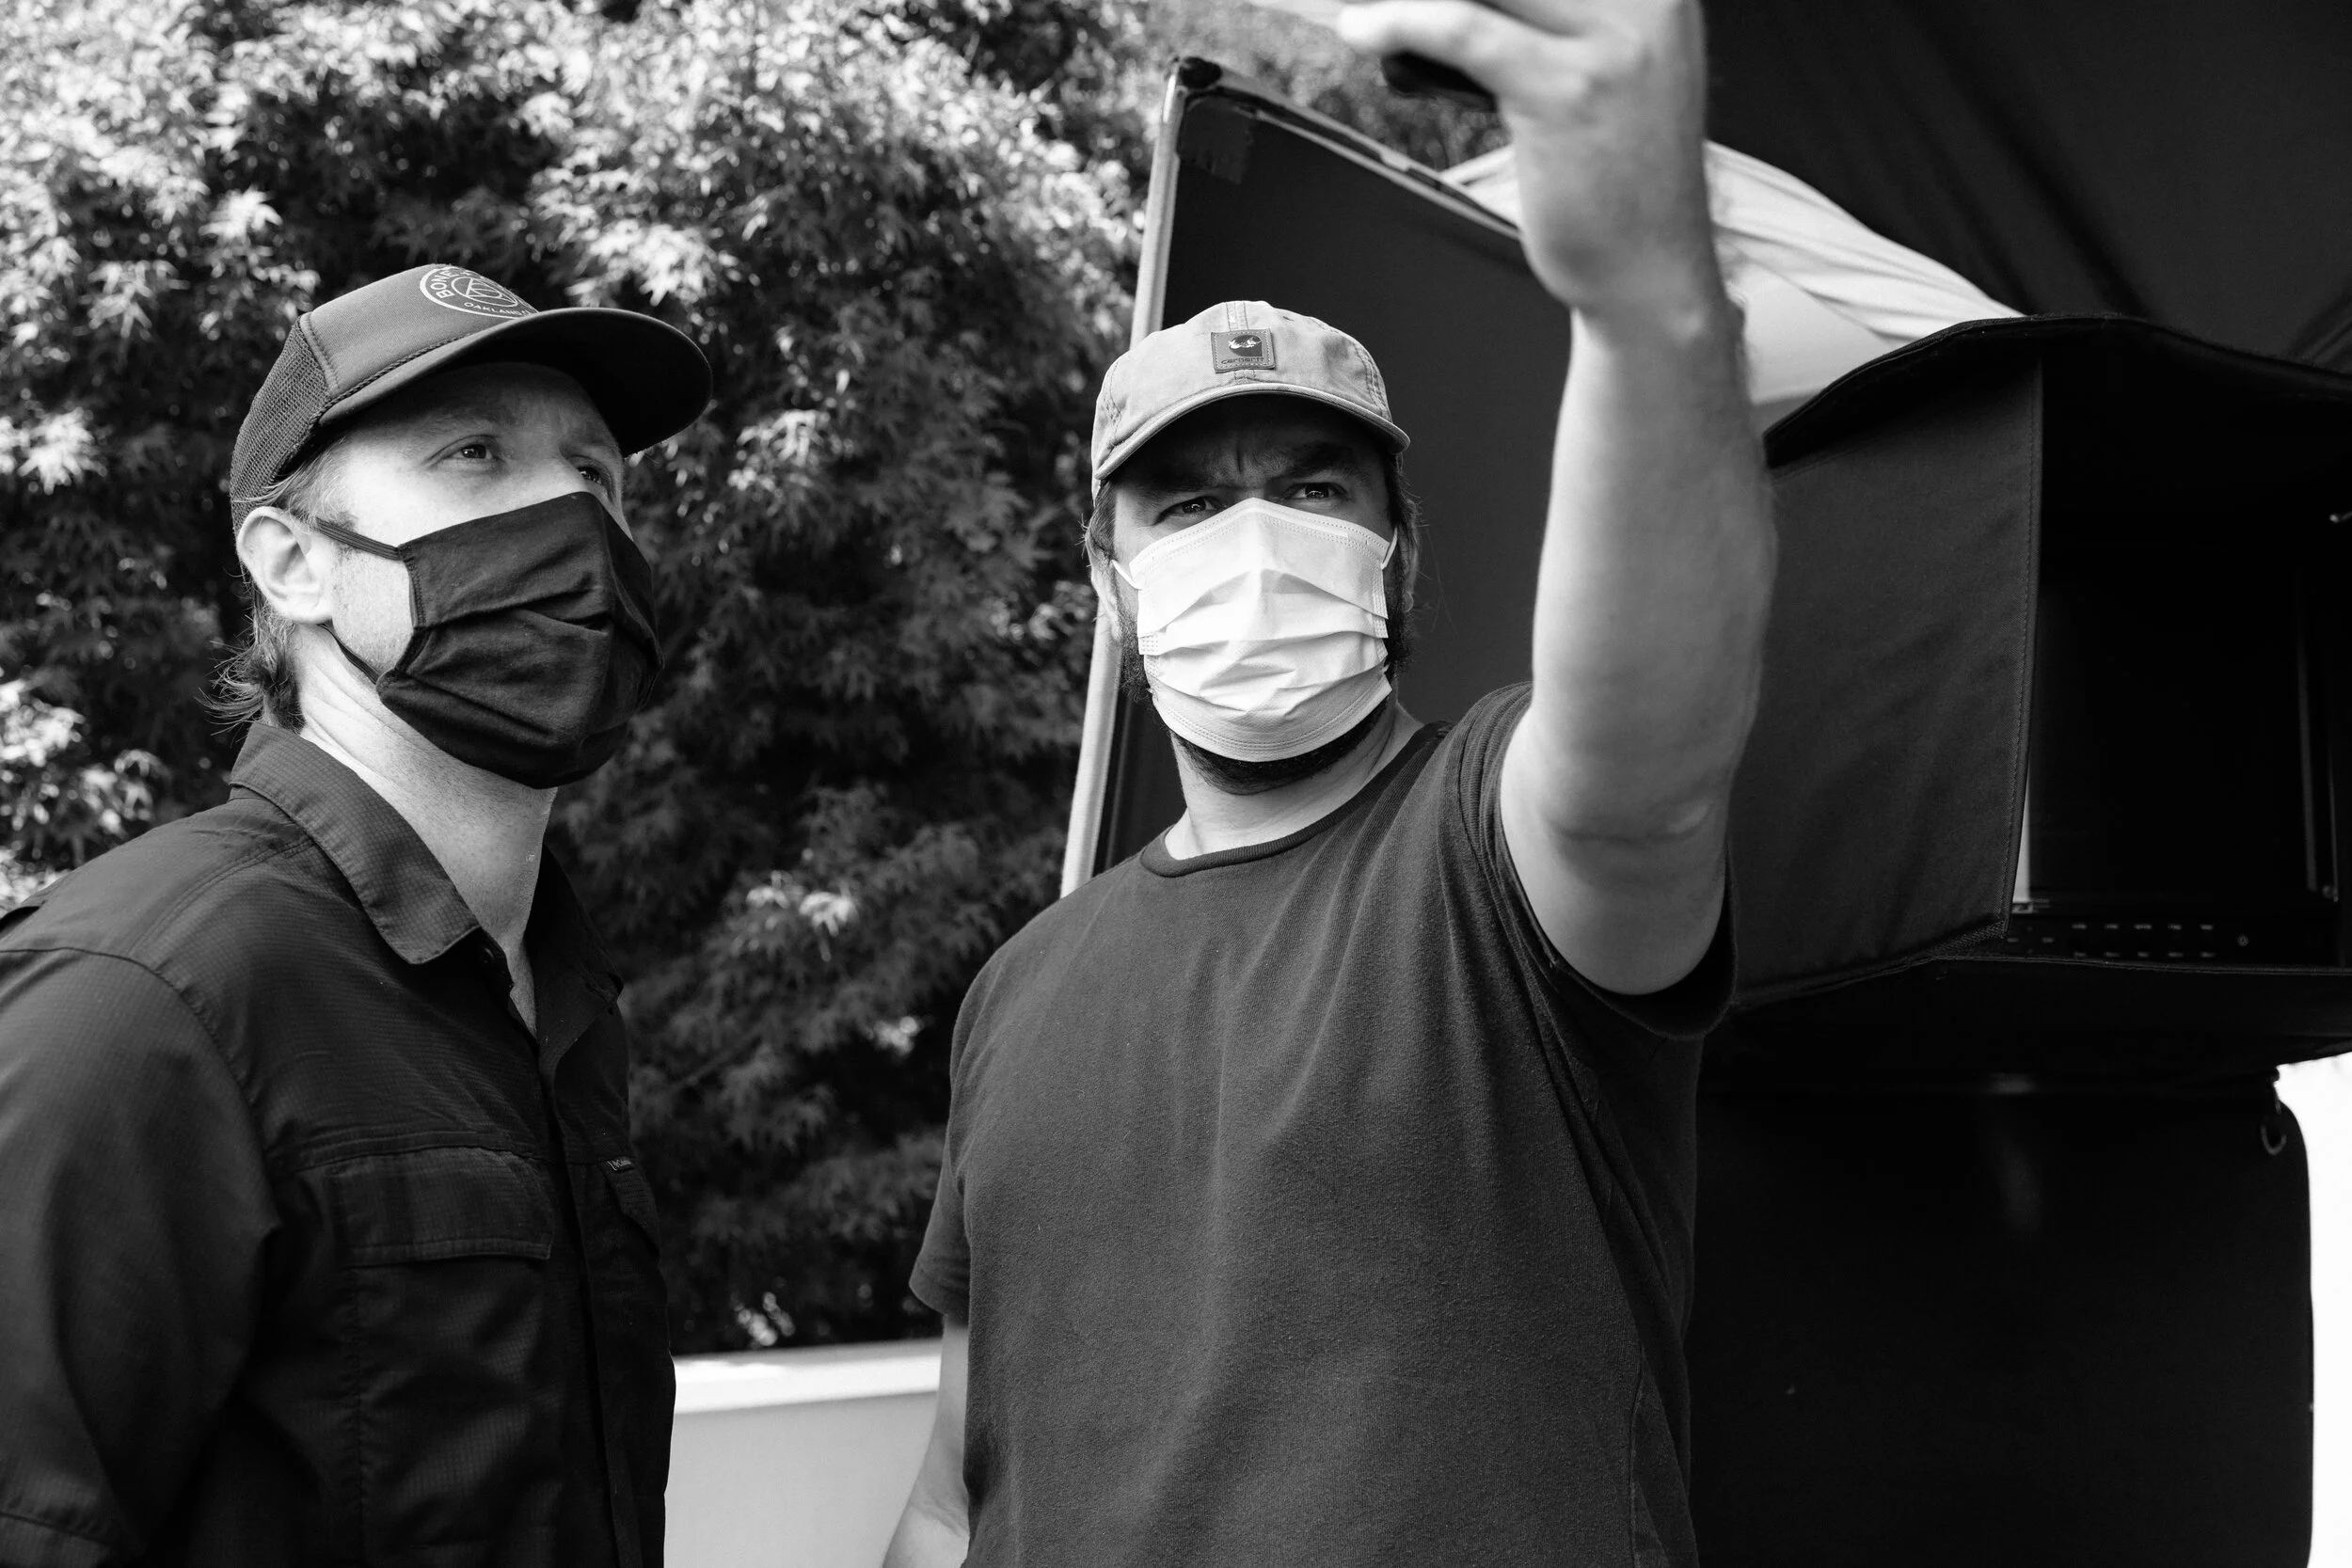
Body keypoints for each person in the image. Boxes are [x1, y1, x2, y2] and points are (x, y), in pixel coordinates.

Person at [882, 1, 1772, 1563]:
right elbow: (958, 1489)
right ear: (1111, 580)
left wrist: (1647, 305)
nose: (1252, 537)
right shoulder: (1019, 989)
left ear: (1398, 551)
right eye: (1186, 505)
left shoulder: (1494, 859)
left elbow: (1648, 764)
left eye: (1310, 488)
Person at [0, 264, 710, 1567]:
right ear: (293, 562)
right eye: (475, 456)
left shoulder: (556, 999)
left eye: (596, 475)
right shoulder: (145, 997)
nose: (567, 517)